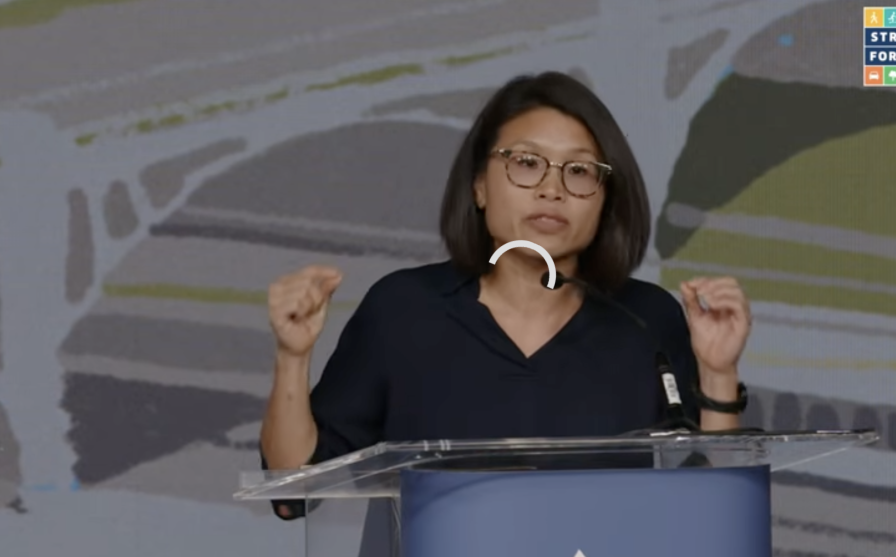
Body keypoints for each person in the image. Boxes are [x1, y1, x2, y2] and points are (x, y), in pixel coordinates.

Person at [259, 71, 753, 522]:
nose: (551, 189)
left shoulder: (646, 320)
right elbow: (292, 491)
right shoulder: (404, 310)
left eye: (579, 172)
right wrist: (292, 356)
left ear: (605, 200)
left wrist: (718, 373)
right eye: (526, 163)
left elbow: (712, 514)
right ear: (479, 187)